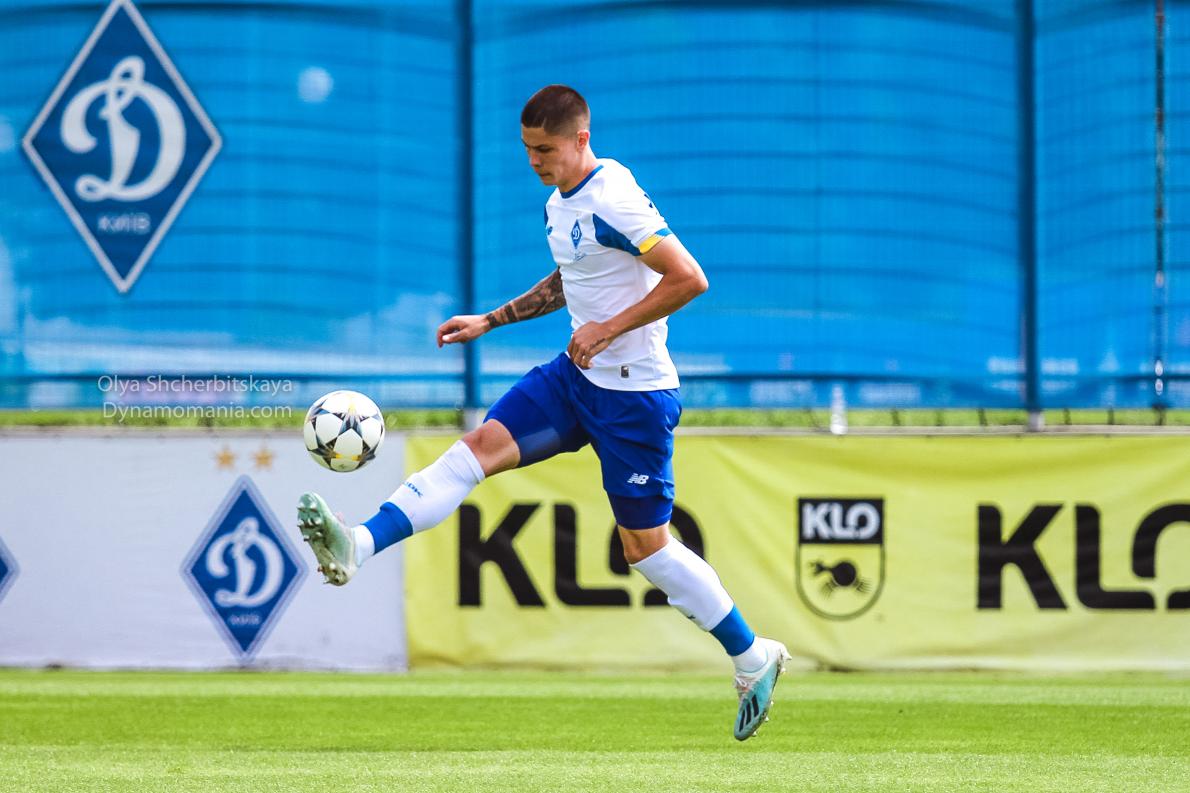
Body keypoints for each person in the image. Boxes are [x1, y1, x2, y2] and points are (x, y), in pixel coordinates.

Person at [297, 84, 789, 741]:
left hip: (634, 398)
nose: (535, 160)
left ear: (581, 139)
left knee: (644, 549)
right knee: (475, 450)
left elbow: (688, 278)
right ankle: (357, 544)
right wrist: (491, 320)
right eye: (528, 149)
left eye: (546, 149)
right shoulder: (561, 204)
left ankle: (753, 655)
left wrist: (608, 328)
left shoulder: (614, 198)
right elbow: (571, 277)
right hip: (574, 379)